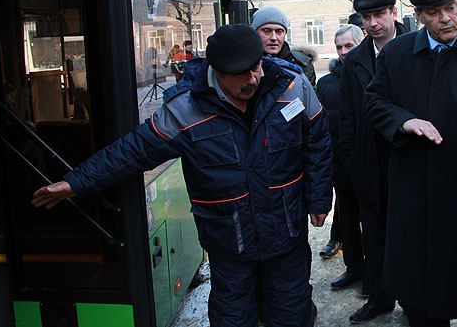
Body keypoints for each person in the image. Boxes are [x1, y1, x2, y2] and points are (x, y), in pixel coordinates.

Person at [31, 24, 333, 327]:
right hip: (228, 239)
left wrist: (319, 199)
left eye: (256, 68)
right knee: (233, 317)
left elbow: (318, 143)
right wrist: (76, 182)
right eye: (242, 75)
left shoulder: (292, 86)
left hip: (286, 229)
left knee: (292, 312)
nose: (253, 79)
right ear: (217, 72)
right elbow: (133, 151)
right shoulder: (184, 109)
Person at [365, 0, 457, 326]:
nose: (445, 18)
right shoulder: (397, 53)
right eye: (433, 12)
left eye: (451, 7)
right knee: (421, 299)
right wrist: (404, 121)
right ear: (418, 15)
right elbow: (374, 102)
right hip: (415, 193)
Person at [338, 0, 408, 324]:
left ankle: (413, 301)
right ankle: (379, 297)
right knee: (376, 236)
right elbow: (348, 116)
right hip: (370, 163)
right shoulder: (355, 61)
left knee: (410, 236)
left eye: (379, 14)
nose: (373, 23)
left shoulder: (416, 49)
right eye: (367, 17)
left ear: (394, 12)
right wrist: (354, 161)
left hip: (409, 160)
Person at [317, 24, 365, 289]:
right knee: (348, 222)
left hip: (369, 165)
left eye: (349, 46)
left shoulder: (374, 75)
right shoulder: (325, 83)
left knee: (374, 224)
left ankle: (376, 276)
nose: (344, 51)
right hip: (340, 164)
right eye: (339, 47)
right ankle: (354, 268)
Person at [252, 6, 317, 87]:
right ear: (255, 33)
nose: (274, 38)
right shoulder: (246, 64)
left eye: (279, 31)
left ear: (285, 34)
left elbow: (311, 94)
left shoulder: (303, 64)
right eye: (267, 31)